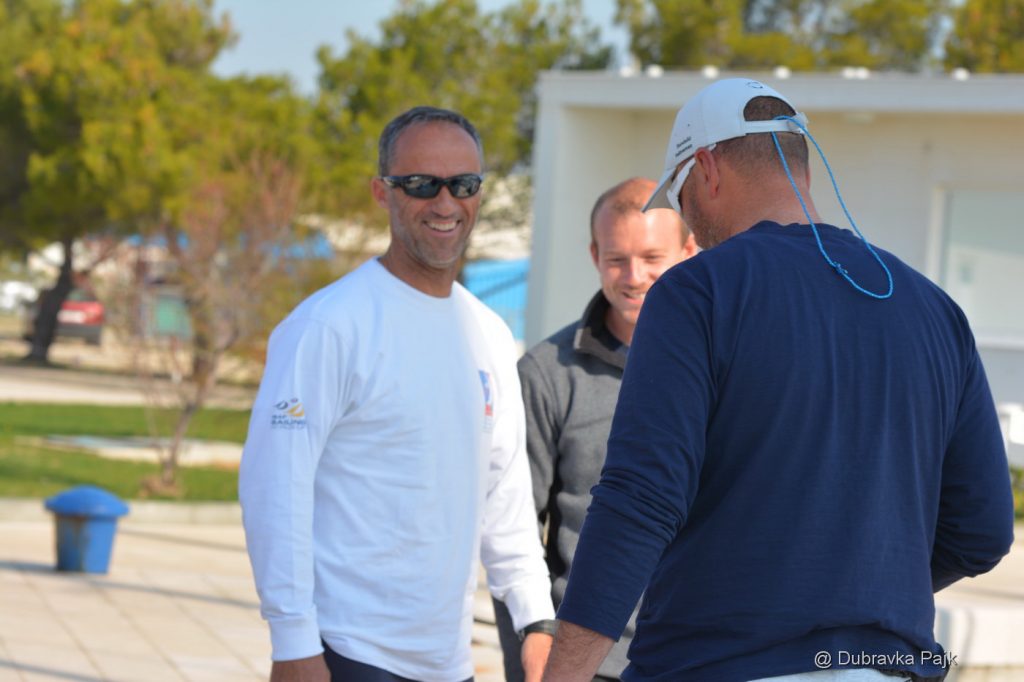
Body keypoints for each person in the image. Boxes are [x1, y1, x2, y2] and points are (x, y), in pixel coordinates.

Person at [543, 78, 1015, 681]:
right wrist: (850, 598)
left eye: (680, 196)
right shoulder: (935, 309)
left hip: (718, 664)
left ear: (706, 169)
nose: (686, 219)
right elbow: (982, 530)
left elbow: (640, 500)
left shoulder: (697, 291)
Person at [239, 106, 556, 682]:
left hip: (448, 664)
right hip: (346, 653)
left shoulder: (488, 334)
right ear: (382, 192)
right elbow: (275, 491)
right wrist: (293, 641)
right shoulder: (327, 326)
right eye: (420, 184)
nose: (445, 203)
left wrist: (536, 619)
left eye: (463, 184)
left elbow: (505, 498)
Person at [492, 177, 697, 681]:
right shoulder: (545, 373)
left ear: (689, 251)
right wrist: (531, 646)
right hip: (587, 661)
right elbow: (511, 528)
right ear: (594, 255)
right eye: (616, 259)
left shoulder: (730, 365)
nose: (634, 276)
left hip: (703, 656)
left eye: (652, 257)